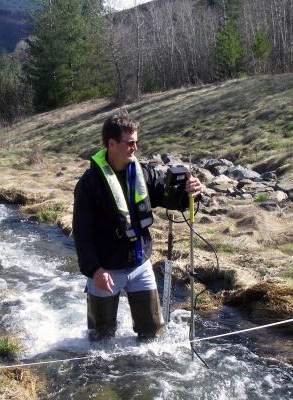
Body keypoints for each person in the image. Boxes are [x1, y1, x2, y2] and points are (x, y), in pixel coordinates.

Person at [72, 114, 203, 341]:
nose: (135, 147)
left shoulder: (143, 173)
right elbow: (82, 232)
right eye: (130, 143)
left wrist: (190, 193)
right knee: (100, 338)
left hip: (140, 264)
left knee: (152, 333)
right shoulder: (90, 182)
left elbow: (169, 198)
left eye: (136, 142)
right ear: (112, 144)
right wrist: (94, 270)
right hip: (105, 269)